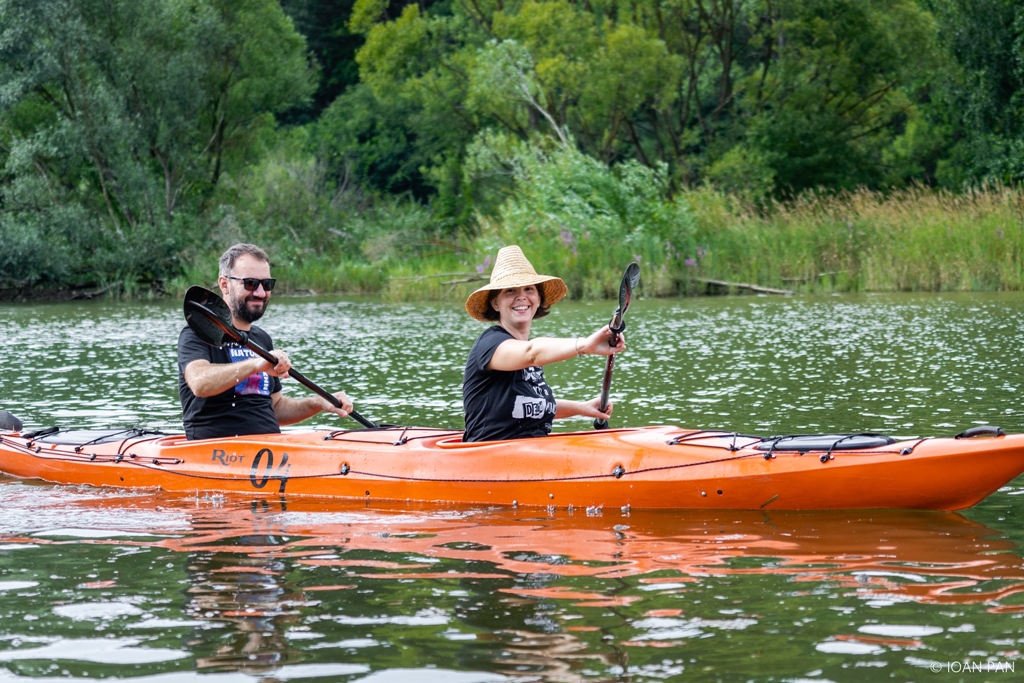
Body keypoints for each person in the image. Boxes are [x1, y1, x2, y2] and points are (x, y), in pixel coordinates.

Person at [177, 243, 353, 440]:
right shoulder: (196, 334)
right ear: (225, 284)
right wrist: (255, 365)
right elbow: (199, 383)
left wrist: (318, 403)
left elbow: (275, 408)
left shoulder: (261, 338)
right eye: (250, 283)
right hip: (214, 453)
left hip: (271, 450)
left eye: (266, 284)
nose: (260, 293)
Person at [462, 245, 626, 442]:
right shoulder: (490, 345)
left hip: (532, 450)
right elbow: (532, 353)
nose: (521, 296)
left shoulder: (530, 356)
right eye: (510, 291)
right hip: (491, 456)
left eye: (529, 289)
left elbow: (533, 405)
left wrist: (582, 408)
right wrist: (584, 345)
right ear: (496, 303)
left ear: (538, 299)